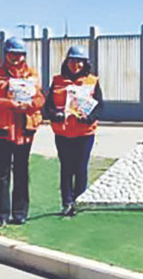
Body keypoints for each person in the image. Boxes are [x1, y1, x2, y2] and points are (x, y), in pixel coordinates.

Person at [0, 37, 45, 226]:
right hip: (2, 129)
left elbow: (40, 98)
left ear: (24, 55)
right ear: (6, 54)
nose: (16, 57)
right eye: (12, 53)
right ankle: (1, 214)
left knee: (21, 170)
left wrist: (29, 105)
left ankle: (20, 213)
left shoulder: (32, 74)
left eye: (19, 54)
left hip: (24, 129)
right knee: (2, 171)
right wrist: (10, 104)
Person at [45, 45, 105, 217]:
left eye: (79, 61)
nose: (75, 65)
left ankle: (79, 202)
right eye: (72, 60)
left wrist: (89, 118)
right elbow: (48, 106)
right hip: (63, 133)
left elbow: (100, 107)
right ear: (66, 62)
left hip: (84, 133)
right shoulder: (57, 81)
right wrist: (54, 115)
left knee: (81, 168)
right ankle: (66, 202)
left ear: (85, 63)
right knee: (66, 168)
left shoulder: (92, 81)